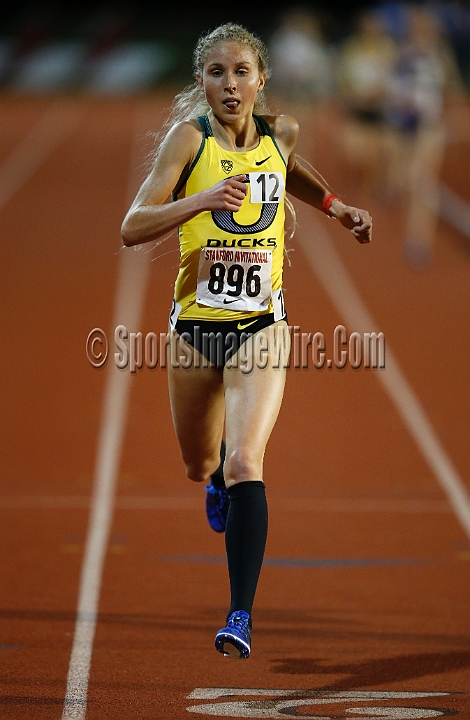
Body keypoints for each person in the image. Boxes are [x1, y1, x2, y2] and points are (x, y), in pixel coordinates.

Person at [121, 23, 372, 659]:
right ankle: (211, 478)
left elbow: (289, 168)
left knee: (245, 464)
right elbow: (132, 226)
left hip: (263, 329)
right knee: (201, 463)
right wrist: (201, 198)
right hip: (194, 334)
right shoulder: (188, 141)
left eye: (239, 72)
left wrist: (336, 204)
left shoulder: (280, 132)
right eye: (215, 73)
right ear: (201, 83)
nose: (228, 84)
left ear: (261, 80)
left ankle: (239, 613)